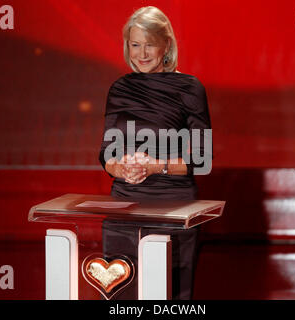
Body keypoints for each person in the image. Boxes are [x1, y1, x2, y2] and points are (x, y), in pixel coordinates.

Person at [99, 6, 212, 300]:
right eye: (135, 44)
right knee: (122, 294)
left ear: (166, 45)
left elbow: (201, 159)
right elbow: (106, 155)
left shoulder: (189, 88)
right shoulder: (120, 89)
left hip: (173, 209)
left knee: (170, 295)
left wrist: (155, 166)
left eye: (149, 43)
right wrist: (121, 168)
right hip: (125, 207)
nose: (142, 53)